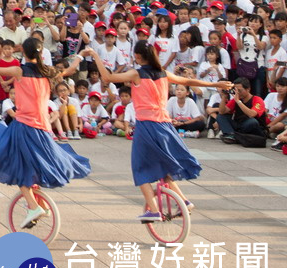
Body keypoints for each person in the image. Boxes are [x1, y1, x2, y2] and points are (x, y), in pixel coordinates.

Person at [83, 42, 230, 222]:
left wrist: (95, 55)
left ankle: (153, 210)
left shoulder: (137, 74)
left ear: (137, 56)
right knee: (164, 168)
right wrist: (215, 83)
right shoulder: (163, 73)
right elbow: (188, 81)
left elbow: (107, 77)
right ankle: (184, 201)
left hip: (147, 125)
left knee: (140, 168)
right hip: (165, 125)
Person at [0, 37, 91, 229]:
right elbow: (69, 70)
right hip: (43, 128)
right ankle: (39, 203)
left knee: (16, 164)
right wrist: (80, 55)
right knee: (34, 164)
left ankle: (34, 206)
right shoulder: (48, 72)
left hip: (25, 126)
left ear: (24, 53)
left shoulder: (20, 71)